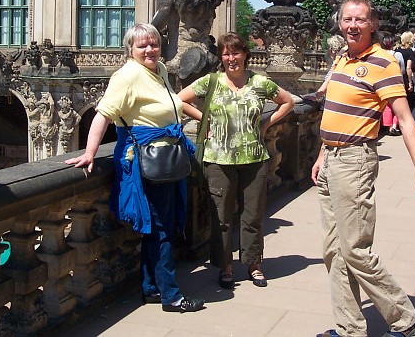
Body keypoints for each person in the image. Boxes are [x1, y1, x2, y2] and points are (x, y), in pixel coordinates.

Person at [311, 0, 415, 337]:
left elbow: (405, 117)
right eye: (347, 19)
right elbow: (333, 110)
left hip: (355, 161)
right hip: (332, 160)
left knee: (355, 249)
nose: (352, 25)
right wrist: (323, 153)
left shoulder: (383, 62)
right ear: (340, 23)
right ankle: (350, 327)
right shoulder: (341, 59)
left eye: (359, 20)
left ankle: (404, 318)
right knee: (334, 251)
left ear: (372, 24)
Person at [65, 24, 205, 313]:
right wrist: (90, 152)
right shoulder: (126, 76)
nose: (150, 49)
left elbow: (176, 104)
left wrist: (206, 119)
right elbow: (103, 114)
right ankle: (172, 296)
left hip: (165, 157)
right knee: (162, 229)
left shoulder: (160, 70)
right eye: (143, 46)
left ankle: (152, 288)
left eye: (153, 44)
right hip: (145, 160)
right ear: (130, 49)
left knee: (159, 226)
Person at [178, 33, 294, 290]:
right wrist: (204, 118)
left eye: (236, 53)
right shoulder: (211, 82)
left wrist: (266, 122)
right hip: (218, 160)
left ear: (245, 55)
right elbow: (179, 100)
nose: (232, 58)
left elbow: (288, 102)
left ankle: (253, 264)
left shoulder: (260, 82)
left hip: (254, 159)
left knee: (252, 216)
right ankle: (226, 266)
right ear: (221, 57)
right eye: (226, 54)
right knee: (221, 217)